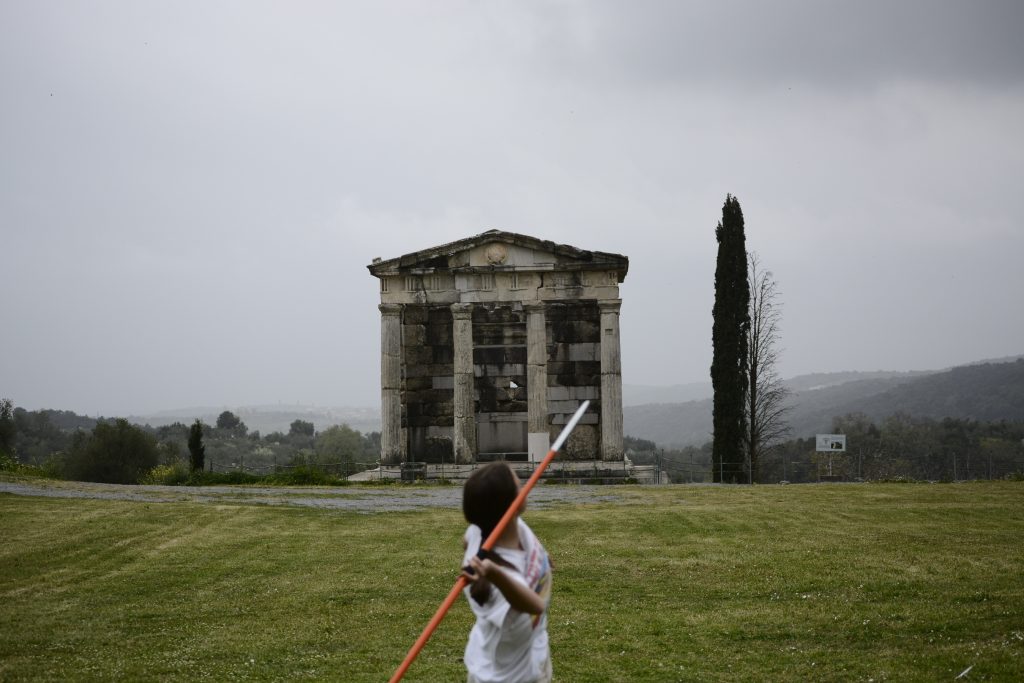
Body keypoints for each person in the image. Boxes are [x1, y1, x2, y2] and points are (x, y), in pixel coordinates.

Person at [460, 462, 553, 683]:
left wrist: (543, 558)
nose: (525, 489)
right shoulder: (498, 582)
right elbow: (536, 605)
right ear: (509, 506)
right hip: (510, 676)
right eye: (519, 487)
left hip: (532, 652)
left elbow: (466, 541)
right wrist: (495, 574)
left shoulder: (482, 530)